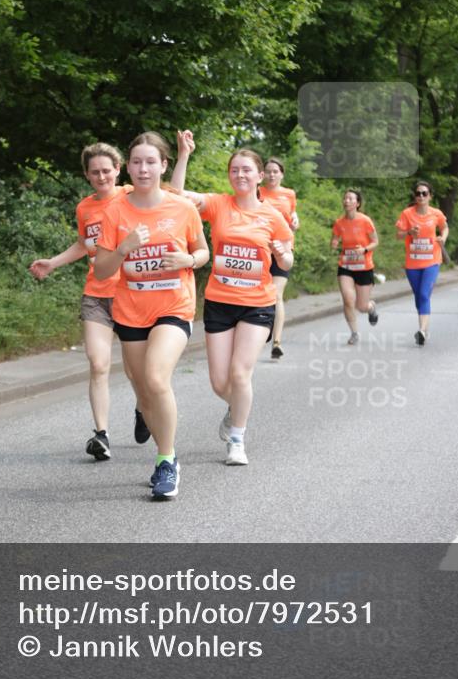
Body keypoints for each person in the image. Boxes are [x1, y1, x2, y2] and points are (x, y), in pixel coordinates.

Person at [94, 132, 209, 499]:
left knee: (156, 378)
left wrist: (189, 260)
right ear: (128, 167)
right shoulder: (115, 211)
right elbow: (100, 270)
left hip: (174, 306)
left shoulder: (182, 208)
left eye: (150, 162)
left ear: (163, 165)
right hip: (131, 311)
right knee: (143, 390)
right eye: (137, 162)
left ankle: (166, 460)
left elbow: (204, 251)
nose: (143, 168)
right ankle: (147, 413)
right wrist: (125, 248)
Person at [172, 132, 293, 466]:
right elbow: (177, 196)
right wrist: (183, 155)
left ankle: (237, 438)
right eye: (234, 170)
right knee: (218, 381)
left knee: (240, 374)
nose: (240, 175)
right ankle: (238, 406)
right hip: (220, 301)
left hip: (257, 302)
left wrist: (282, 255)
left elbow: (287, 260)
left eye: (246, 170)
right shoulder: (217, 204)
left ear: (258, 176)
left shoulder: (273, 216)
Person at [30, 143, 150, 461]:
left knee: (136, 372)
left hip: (130, 294)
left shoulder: (132, 196)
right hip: (96, 294)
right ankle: (102, 435)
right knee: (98, 365)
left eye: (106, 170)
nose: (101, 176)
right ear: (87, 174)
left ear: (118, 170)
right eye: (94, 172)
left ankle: (143, 408)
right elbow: (85, 244)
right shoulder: (85, 208)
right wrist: (53, 263)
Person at [395, 180, 449, 345]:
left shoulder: (436, 214)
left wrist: (443, 238)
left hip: (432, 261)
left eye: (424, 193)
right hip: (412, 263)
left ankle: (421, 331)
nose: (421, 196)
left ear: (430, 196)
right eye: (418, 193)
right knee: (419, 296)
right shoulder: (407, 214)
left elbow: (445, 227)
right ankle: (425, 330)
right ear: (415, 196)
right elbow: (398, 235)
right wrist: (409, 232)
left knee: (425, 294)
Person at [259, 157, 299, 359]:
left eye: (276, 171)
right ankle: (257, 332)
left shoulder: (289, 194)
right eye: (268, 171)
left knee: (276, 295)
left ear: (282, 174)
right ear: (263, 174)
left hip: (282, 250)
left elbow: (293, 215)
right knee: (260, 294)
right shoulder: (257, 192)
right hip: (261, 250)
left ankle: (276, 342)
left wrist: (295, 221)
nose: (272, 174)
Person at [331, 189, 380, 345]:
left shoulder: (365, 221)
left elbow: (375, 242)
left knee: (361, 306)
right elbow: (334, 241)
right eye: (345, 198)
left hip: (364, 266)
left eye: (351, 199)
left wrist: (364, 250)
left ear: (357, 203)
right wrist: (334, 244)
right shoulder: (339, 223)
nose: (347, 201)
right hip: (345, 266)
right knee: (347, 299)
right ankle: (354, 333)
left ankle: (371, 308)